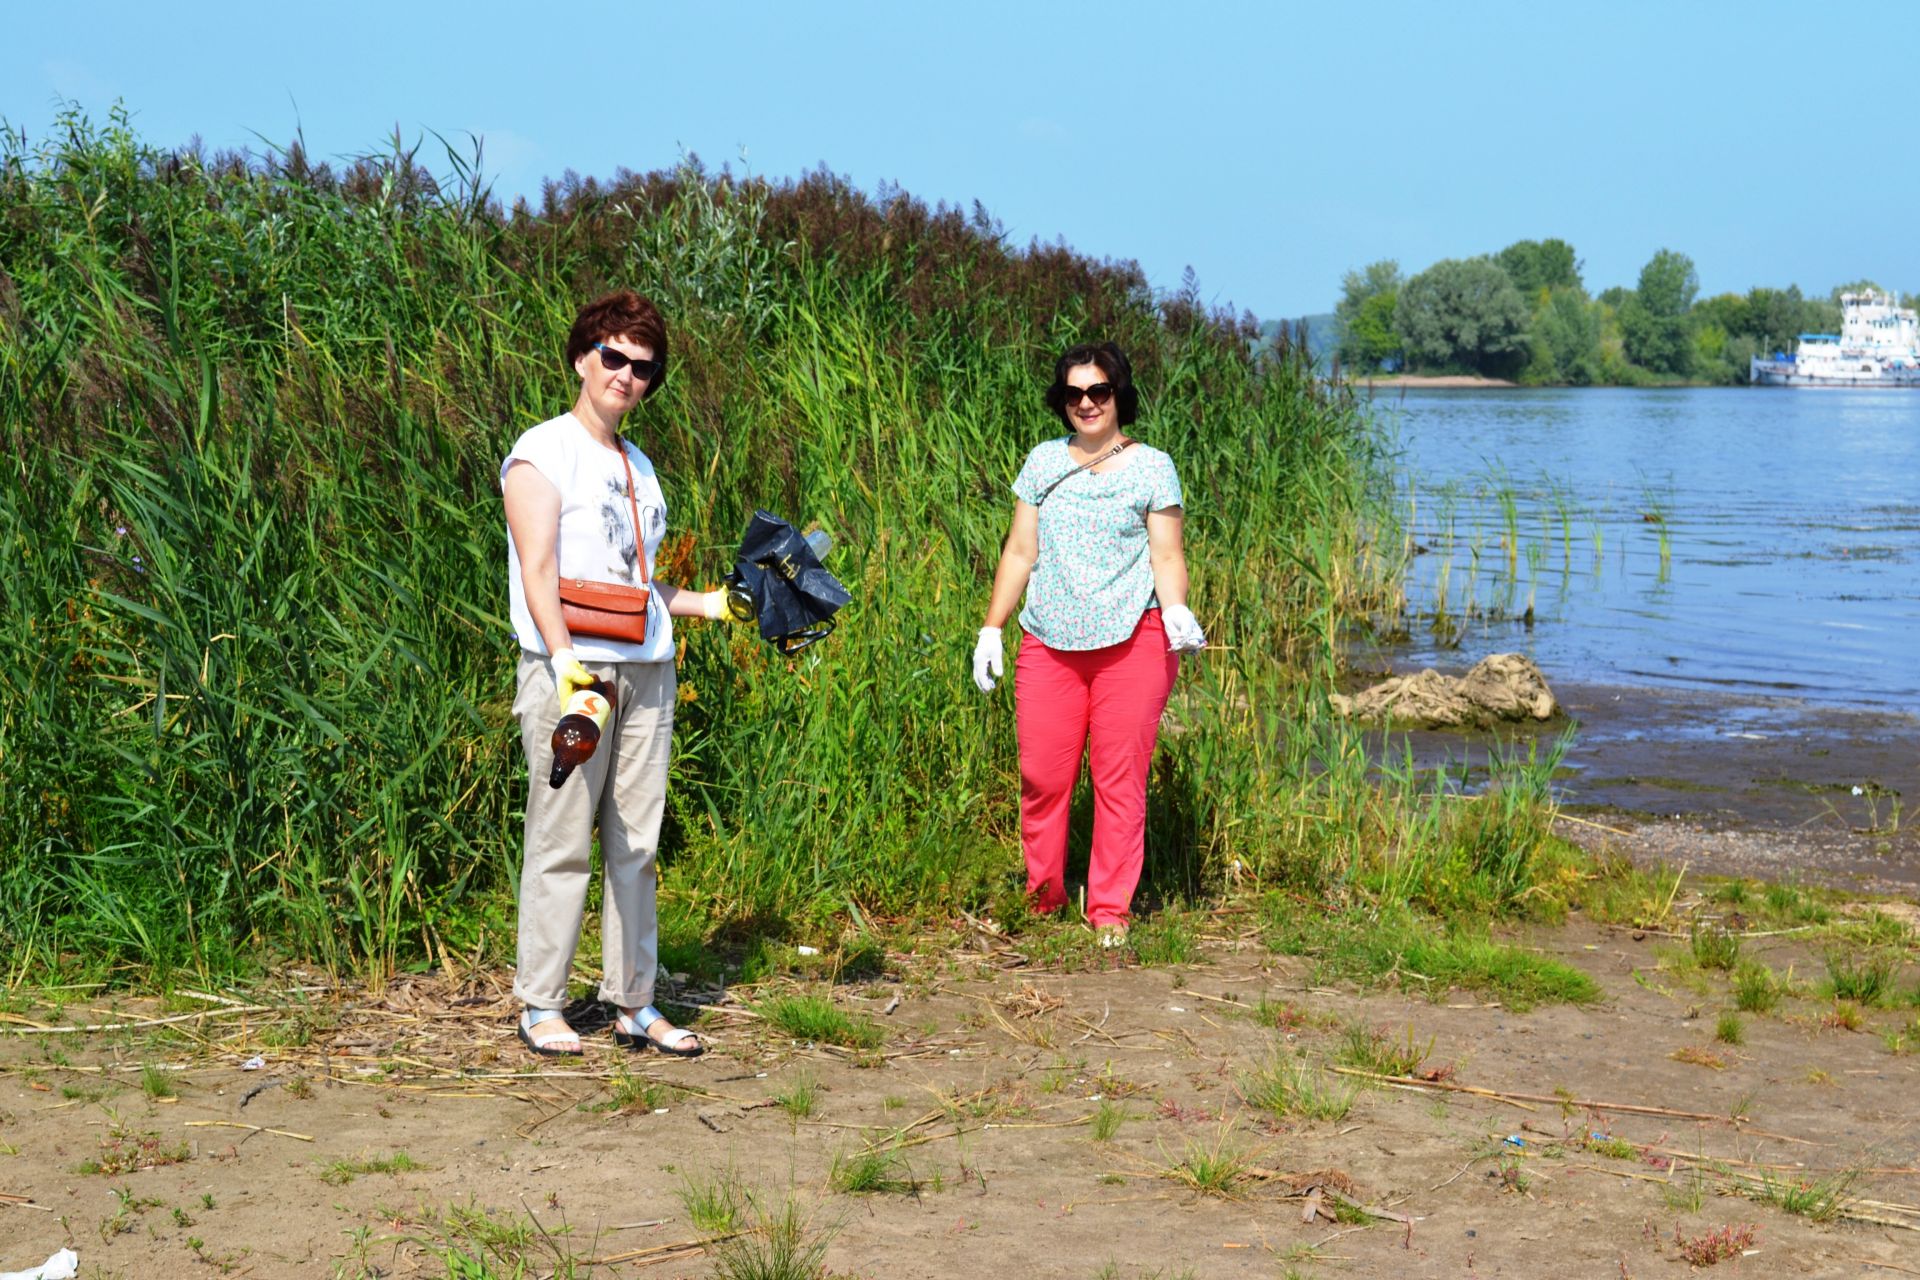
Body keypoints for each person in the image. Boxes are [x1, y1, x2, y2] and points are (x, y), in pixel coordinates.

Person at [500, 290, 737, 1057]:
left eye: (643, 367)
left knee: (636, 842)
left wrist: (709, 604)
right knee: (563, 836)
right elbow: (539, 571)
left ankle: (635, 1001)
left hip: (648, 670)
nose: (627, 376)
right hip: (574, 670)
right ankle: (542, 1002)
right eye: (614, 357)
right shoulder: (541, 451)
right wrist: (566, 662)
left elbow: (637, 585)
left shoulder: (640, 465)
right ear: (582, 356)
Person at [972, 342, 1206, 947]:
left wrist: (1176, 608)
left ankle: (1108, 911)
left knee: (1118, 779)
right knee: (1042, 777)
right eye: (1075, 393)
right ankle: (1041, 899)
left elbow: (1167, 553)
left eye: (1098, 391)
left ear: (1118, 395)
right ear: (1063, 401)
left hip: (1134, 641)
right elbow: (1021, 551)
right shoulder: (1044, 462)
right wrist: (991, 628)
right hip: (1048, 640)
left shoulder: (1154, 466)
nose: (1086, 403)